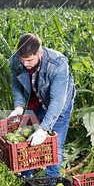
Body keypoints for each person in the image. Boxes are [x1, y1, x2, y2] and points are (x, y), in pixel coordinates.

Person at [8, 33, 75, 178]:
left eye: (30, 60)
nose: (26, 64)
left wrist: (43, 129)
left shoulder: (58, 63)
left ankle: (51, 181)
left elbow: (57, 101)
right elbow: (16, 83)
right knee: (27, 141)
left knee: (54, 145)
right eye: (23, 60)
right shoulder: (15, 60)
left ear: (40, 52)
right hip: (34, 101)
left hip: (59, 105)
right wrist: (19, 106)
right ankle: (27, 178)